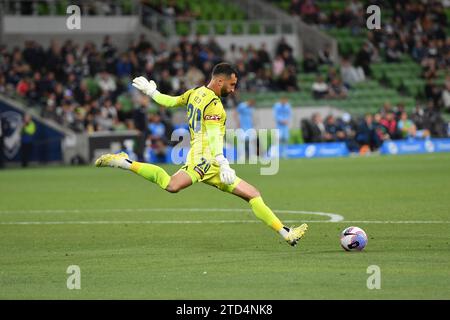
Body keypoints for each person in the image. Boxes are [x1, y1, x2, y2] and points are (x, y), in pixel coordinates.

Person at [95, 63, 308, 247]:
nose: (233, 90)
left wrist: (152, 93)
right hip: (206, 159)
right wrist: (223, 163)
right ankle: (124, 162)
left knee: (252, 194)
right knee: (171, 185)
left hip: (204, 157)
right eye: (231, 84)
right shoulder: (215, 105)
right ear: (219, 81)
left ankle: (286, 233)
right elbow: (215, 136)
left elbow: (170, 102)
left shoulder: (194, 92)